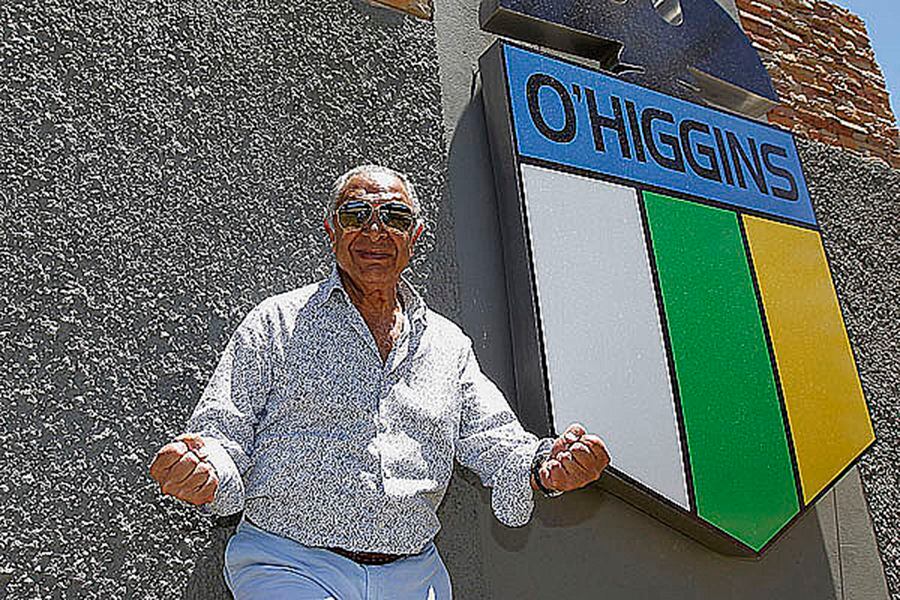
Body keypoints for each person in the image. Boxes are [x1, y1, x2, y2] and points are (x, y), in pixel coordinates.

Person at [149, 165, 610, 599]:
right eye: (356, 215)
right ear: (331, 230)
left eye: (394, 217)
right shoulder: (276, 322)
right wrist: (204, 469)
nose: (375, 231)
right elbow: (221, 431)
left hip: (415, 576)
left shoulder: (447, 345)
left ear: (415, 236)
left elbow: (496, 440)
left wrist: (545, 464)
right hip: (289, 562)